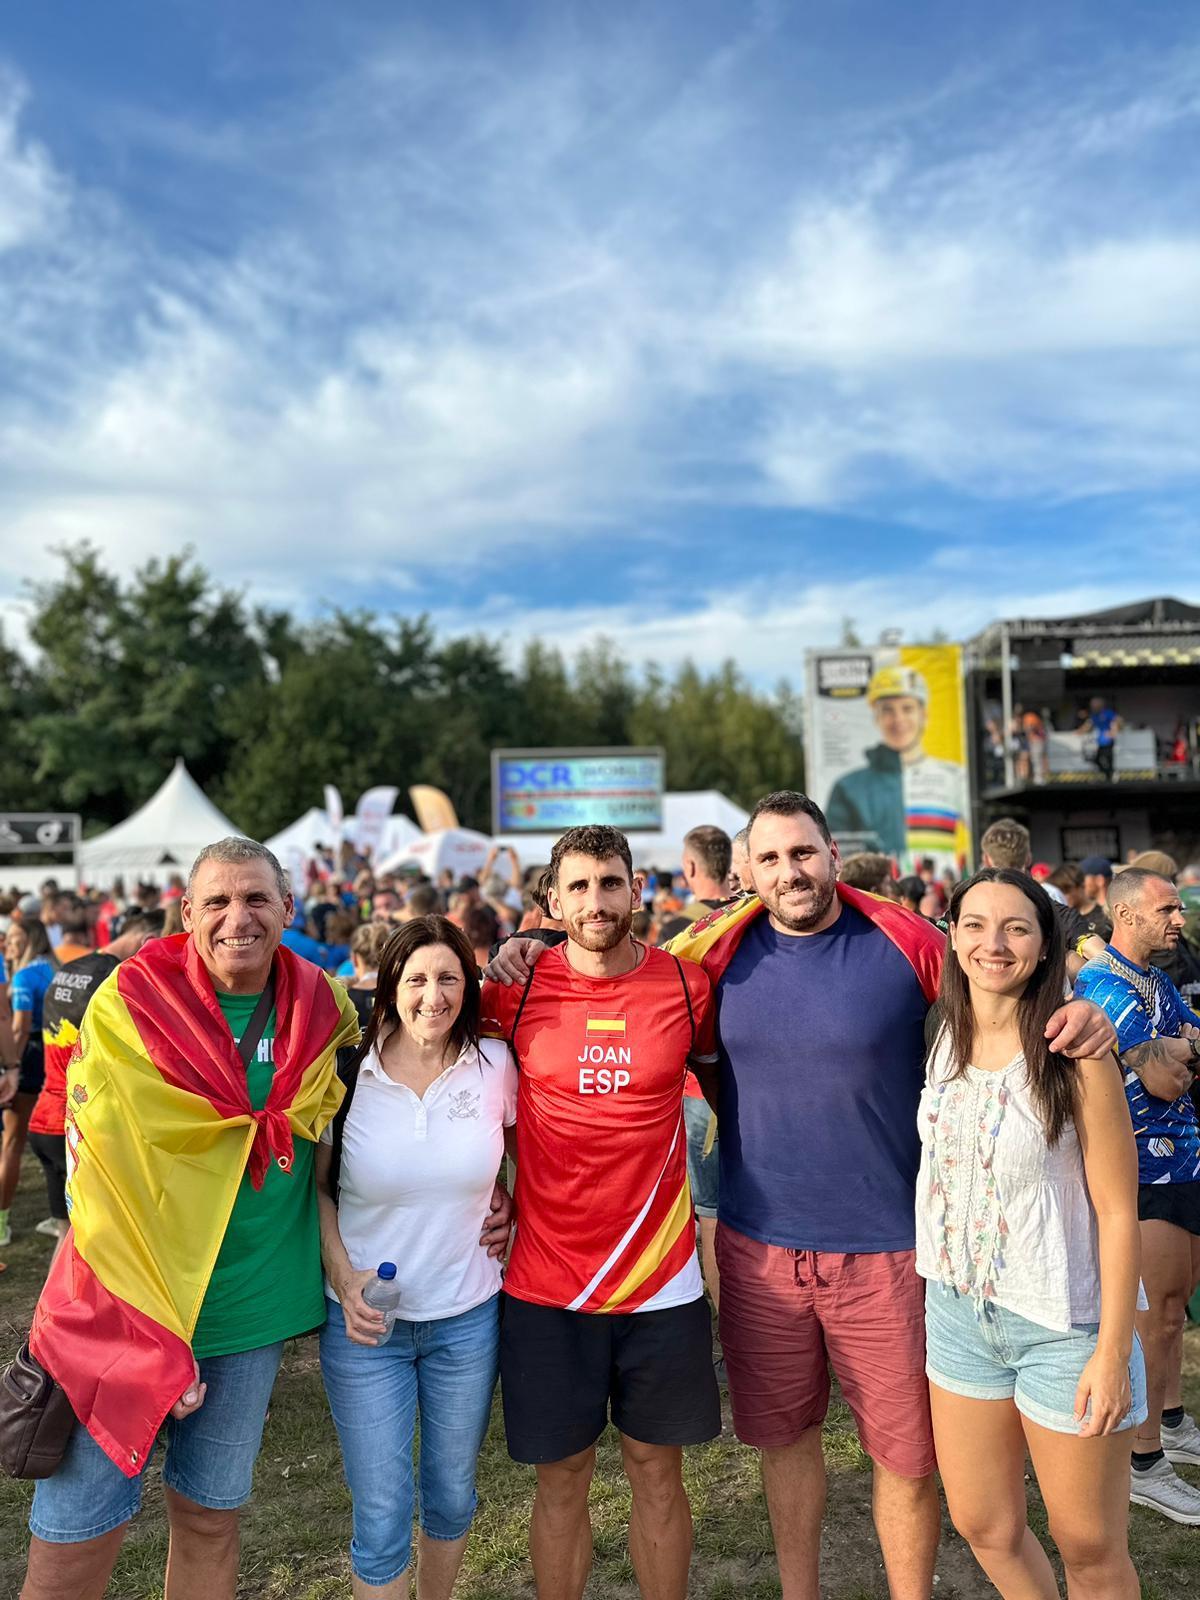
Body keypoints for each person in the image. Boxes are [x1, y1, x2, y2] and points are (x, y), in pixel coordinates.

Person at [486, 793, 1113, 1600]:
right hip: (758, 1248)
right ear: (745, 871)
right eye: (773, 859)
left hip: (890, 1250)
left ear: (832, 854)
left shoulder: (904, 938)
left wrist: (1083, 1007)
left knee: (904, 1457)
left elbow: (1001, 976)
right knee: (786, 1444)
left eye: (805, 854)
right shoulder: (709, 954)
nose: (792, 873)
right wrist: (520, 947)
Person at [18, 837, 363, 1600]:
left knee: (210, 1518)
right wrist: (156, 1329)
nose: (237, 918)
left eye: (256, 899)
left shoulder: (322, 1004)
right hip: (127, 1305)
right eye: (217, 901)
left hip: (251, 1310)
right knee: (78, 1525)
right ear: (187, 914)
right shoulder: (127, 1002)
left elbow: (424, 1032)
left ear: (288, 910)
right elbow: (96, 1167)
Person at [480, 824, 720, 1600]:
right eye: (579, 887)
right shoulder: (510, 991)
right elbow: (452, 1090)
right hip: (548, 1284)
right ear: (551, 901)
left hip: (661, 1281)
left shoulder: (686, 987)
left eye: (610, 883)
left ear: (637, 889)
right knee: (563, 1479)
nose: (596, 901)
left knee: (656, 1470)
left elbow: (731, 1096)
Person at [918, 869, 1144, 1597]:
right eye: (975, 924)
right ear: (952, 937)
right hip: (958, 1315)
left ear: (1047, 946)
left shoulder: (1075, 1052)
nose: (994, 942)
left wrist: (1111, 1353)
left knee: (1089, 1545)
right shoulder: (937, 1033)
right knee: (983, 1524)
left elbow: (1117, 1209)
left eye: (1016, 927)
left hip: (1063, 1322)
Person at [317, 916, 517, 1600]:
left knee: (454, 1496)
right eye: (417, 979)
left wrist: (510, 1200)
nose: (433, 996)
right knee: (380, 1513)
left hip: (466, 1319)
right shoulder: (348, 1072)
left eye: (449, 979)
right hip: (366, 1328)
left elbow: (530, 1156)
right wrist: (342, 1275)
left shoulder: (496, 1068)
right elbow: (313, 1190)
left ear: (470, 985)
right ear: (389, 987)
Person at [1074, 868, 1200, 1522]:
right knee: (1154, 1318)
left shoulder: (1151, 981)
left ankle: (1171, 1422)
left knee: (1174, 1311)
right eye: (1167, 909)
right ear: (1125, 915)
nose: (1178, 919)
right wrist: (1173, 1052)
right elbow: (1164, 1082)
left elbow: (1191, 1043)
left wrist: (1178, 1046)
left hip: (1180, 1161)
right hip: (1141, 1171)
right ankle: (1142, 1462)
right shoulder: (1102, 987)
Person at [26, 912, 166, 1257]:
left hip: (44, 1119)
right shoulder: (112, 980)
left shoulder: (68, 969)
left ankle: (49, 1312)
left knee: (67, 1243)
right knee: (97, 1250)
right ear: (147, 941)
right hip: (81, 1125)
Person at [824, 666, 964, 871]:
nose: (898, 719)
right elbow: (835, 854)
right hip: (879, 896)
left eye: (907, 708)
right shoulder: (848, 787)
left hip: (942, 894)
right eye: (888, 710)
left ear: (924, 714)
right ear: (876, 717)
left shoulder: (954, 776)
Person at [0, 918, 58, 1247]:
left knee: (12, 1142)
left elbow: (19, 1028)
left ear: (30, 940)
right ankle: (61, 1212)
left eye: (14, 938)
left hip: (29, 1059)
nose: (8, 943)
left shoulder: (23, 977)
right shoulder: (56, 967)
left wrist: (13, 1067)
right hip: (57, 1057)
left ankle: (1, 1224)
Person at [1080, 697, 1122, 781]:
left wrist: (1113, 731)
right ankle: (1108, 774)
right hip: (1100, 741)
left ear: (1100, 705)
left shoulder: (1108, 713)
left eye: (1094, 704)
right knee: (1097, 759)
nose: (1092, 706)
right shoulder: (1094, 715)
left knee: (1108, 759)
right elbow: (1088, 725)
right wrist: (1078, 732)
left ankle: (1110, 776)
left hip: (1108, 740)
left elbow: (1117, 721)